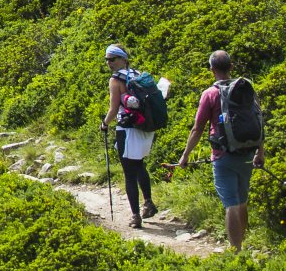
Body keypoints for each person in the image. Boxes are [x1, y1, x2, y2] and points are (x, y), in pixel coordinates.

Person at [165, 51, 264, 251]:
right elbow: (259, 120)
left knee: (231, 204)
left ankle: (236, 251)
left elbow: (197, 129)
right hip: (246, 152)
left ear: (212, 69)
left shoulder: (210, 94)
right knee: (242, 201)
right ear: (231, 66)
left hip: (223, 155)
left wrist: (184, 156)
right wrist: (259, 152)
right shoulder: (246, 88)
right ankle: (241, 245)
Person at [99, 44, 158, 227]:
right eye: (107, 59)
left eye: (113, 58)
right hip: (145, 128)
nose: (109, 62)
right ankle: (148, 203)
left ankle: (135, 216)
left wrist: (104, 124)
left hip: (126, 129)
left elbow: (113, 108)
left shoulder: (115, 80)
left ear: (123, 58)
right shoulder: (137, 74)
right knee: (139, 165)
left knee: (129, 173)